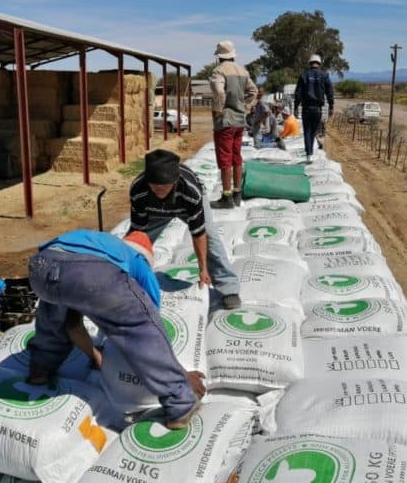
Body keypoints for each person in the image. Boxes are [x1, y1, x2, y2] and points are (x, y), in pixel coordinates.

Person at [26, 229, 205, 430]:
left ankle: (39, 370)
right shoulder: (139, 263)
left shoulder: (105, 245)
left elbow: (71, 324)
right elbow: (149, 333)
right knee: (139, 325)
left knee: (51, 320)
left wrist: (95, 356)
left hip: (41, 267)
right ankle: (180, 404)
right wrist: (182, 375)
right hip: (87, 271)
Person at [128, 149, 242, 310]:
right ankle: (127, 280)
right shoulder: (139, 190)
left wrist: (203, 268)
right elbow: (138, 234)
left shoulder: (191, 191)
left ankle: (228, 287)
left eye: (164, 187)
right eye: (154, 186)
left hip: (185, 206)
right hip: (154, 212)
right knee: (133, 245)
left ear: (174, 182)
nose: (159, 190)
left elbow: (199, 233)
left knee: (210, 236)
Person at [209, 40, 257, 208]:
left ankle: (226, 197)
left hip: (226, 121)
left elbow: (219, 90)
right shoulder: (243, 71)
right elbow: (253, 91)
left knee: (225, 158)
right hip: (239, 121)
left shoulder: (219, 71)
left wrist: (218, 109)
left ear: (219, 57)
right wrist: (246, 107)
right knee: (237, 156)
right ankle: (237, 193)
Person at [294, 54, 334, 164]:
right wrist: (331, 106)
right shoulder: (324, 75)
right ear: (319, 63)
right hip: (318, 109)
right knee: (313, 131)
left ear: (310, 63)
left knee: (307, 131)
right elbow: (330, 92)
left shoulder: (304, 75)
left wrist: (296, 107)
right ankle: (310, 153)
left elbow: (298, 93)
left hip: (306, 108)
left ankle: (309, 154)